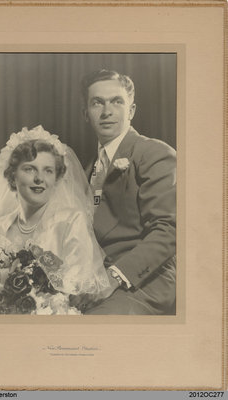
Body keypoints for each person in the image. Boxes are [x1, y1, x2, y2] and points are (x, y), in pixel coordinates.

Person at [0, 125, 112, 314]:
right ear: (13, 176)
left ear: (57, 178)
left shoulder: (70, 221)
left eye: (48, 171)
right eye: (29, 169)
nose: (39, 178)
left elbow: (78, 288)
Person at [80, 69, 176, 315]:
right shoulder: (86, 168)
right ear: (86, 115)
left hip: (145, 279)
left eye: (117, 101)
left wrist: (114, 277)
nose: (107, 111)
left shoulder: (153, 153)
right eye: (97, 103)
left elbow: (168, 229)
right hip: (96, 280)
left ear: (131, 111)